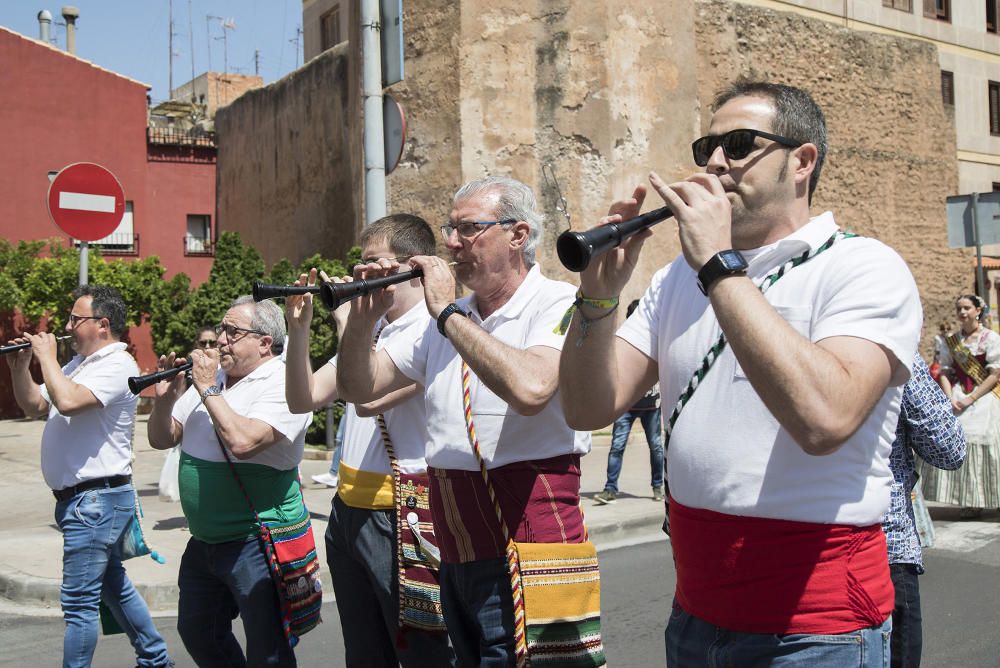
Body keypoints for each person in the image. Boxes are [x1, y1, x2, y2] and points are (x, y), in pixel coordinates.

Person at [559, 80, 922, 665]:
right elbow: (584, 408)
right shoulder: (675, 279)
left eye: (739, 143)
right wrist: (598, 298)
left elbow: (824, 420)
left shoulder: (863, 266)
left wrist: (718, 266)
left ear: (802, 161)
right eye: (707, 147)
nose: (715, 162)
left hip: (817, 629)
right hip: (697, 613)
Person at [337, 176, 594, 665]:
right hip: (456, 546)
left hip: (527, 545)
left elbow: (531, 388)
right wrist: (361, 320)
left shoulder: (557, 301)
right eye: (449, 229)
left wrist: (447, 315)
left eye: (469, 229)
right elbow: (359, 387)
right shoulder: (452, 317)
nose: (452, 243)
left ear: (518, 235)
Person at [284, 214, 455, 667]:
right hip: (349, 511)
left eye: (373, 264)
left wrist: (350, 324)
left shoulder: (434, 329)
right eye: (359, 265)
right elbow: (303, 398)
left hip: (402, 510)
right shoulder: (373, 330)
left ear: (412, 267)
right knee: (364, 650)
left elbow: (365, 400)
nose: (360, 275)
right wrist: (299, 330)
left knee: (422, 648)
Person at [6, 285, 172, 668]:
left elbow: (68, 401)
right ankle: (155, 658)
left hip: (94, 502)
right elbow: (35, 404)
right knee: (113, 587)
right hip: (81, 502)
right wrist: (20, 368)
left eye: (74, 319)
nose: (67, 326)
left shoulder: (118, 365)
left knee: (79, 604)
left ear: (102, 324)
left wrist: (47, 355)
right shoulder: (79, 365)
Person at [147, 296, 311, 667]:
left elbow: (243, 442)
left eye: (232, 332)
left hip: (257, 540)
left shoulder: (285, 382)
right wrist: (164, 399)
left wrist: (207, 389)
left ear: (265, 343)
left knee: (268, 649)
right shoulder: (216, 379)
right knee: (198, 631)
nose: (220, 339)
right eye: (222, 329)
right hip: (205, 540)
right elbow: (162, 438)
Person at [882, 354, 966, 668]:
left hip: (766, 551)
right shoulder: (890, 341)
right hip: (881, 544)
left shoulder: (749, 333)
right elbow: (949, 448)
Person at [923, 293, 1000, 518]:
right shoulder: (953, 341)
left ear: (978, 311)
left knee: (989, 443)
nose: (962, 312)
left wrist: (972, 398)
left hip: (984, 395)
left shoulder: (990, 338)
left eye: (967, 308)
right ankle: (971, 501)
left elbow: (994, 374)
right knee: (960, 442)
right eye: (959, 309)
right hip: (958, 395)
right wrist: (950, 398)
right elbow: (945, 370)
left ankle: (995, 497)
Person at [594, 298, 664, 504]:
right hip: (626, 405)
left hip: (651, 406)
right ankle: (610, 489)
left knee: (656, 447)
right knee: (617, 446)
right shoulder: (622, 340)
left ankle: (658, 487)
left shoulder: (656, 338)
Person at [158, 325, 220, 502]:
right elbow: (177, 401)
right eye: (203, 342)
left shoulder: (226, 371)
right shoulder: (187, 370)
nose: (207, 346)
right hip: (191, 428)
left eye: (212, 342)